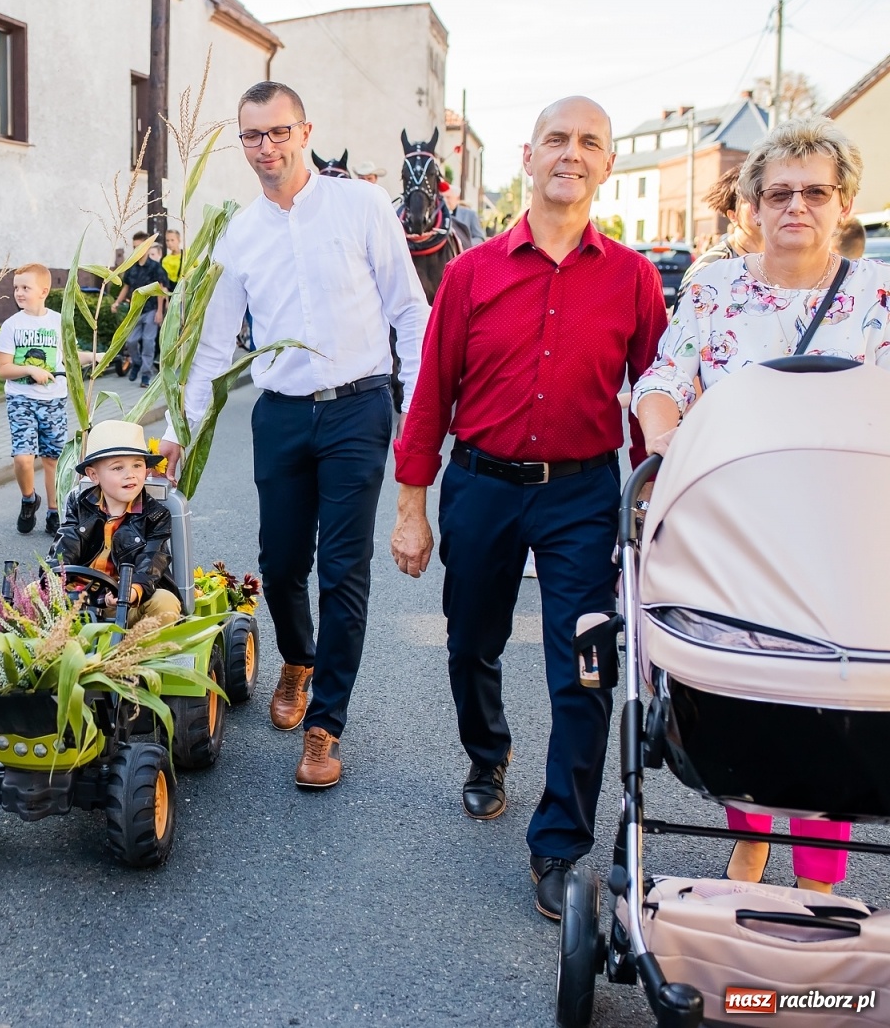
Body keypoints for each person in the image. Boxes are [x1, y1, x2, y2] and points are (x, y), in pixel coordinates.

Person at [391, 96, 667, 921]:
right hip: (480, 484)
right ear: (528, 154)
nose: (571, 153)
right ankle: (487, 755)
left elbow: (657, 395)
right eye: (557, 138)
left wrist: (656, 500)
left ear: (607, 164)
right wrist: (413, 506)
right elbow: (431, 392)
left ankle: (560, 840)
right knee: (471, 639)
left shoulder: (633, 277)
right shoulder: (473, 273)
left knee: (585, 669)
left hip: (584, 493)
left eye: (589, 143)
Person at [634, 117, 890, 895]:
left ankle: (819, 881)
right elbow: (663, 381)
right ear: (751, 206)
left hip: (845, 531)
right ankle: (748, 835)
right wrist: (670, 452)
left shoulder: (876, 293)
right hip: (741, 522)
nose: (796, 206)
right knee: (748, 681)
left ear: (843, 203)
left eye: (815, 191)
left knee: (832, 696)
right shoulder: (714, 287)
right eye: (778, 192)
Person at [157, 81, 430, 790]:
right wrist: (178, 428)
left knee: (344, 571)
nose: (266, 148)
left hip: (357, 408)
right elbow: (215, 346)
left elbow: (409, 311)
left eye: (278, 132)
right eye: (252, 136)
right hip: (279, 413)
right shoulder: (239, 233)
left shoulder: (361, 206)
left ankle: (325, 725)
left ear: (305, 131)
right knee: (280, 565)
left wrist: (418, 411)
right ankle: (298, 658)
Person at [0, 264, 97, 538]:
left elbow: (71, 355)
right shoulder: (12, 326)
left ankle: (54, 511)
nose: (19, 292)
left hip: (54, 401)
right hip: (21, 399)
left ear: (43, 291)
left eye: (25, 288)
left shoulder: (58, 322)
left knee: (52, 459)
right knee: (23, 458)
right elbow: (3, 368)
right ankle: (29, 499)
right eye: (16, 287)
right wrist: (30, 370)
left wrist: (96, 356)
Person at [51, 419, 180, 627]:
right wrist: (56, 575)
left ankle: (135, 652)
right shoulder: (79, 504)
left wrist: (132, 589)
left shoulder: (155, 515)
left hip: (127, 601)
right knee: (33, 590)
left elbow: (154, 559)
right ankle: (43, 647)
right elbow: (65, 544)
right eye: (118, 468)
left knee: (165, 603)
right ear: (94, 475)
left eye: (137, 465)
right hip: (80, 599)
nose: (130, 474)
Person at [683, 166, 763, 283]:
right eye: (751, 200)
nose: (762, 207)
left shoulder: (784, 261)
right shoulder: (711, 266)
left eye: (766, 197)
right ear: (733, 216)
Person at [113, 232, 169, 388]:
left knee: (148, 342)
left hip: (151, 310)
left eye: (139, 247)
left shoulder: (155, 267)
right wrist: (116, 302)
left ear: (146, 247)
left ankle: (145, 375)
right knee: (130, 341)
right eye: (134, 247)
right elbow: (126, 287)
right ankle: (136, 363)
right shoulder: (132, 268)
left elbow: (160, 289)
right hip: (136, 310)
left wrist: (159, 311)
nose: (136, 250)